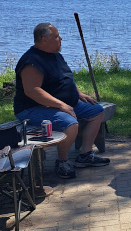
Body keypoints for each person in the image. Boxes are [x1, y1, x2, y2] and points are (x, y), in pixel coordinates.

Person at [13, 22, 109, 179]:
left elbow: (64, 78)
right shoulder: (31, 61)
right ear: (44, 39)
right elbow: (32, 91)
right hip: (32, 108)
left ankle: (85, 154)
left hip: (62, 103)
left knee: (96, 111)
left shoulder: (55, 54)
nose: (61, 38)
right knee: (70, 123)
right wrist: (61, 105)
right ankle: (62, 162)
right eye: (57, 36)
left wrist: (78, 93)